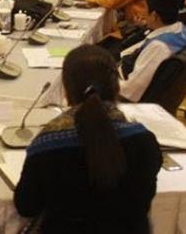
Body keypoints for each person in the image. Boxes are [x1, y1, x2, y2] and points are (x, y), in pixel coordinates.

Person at [14, 44, 161, 233]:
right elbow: (144, 196)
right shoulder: (144, 141)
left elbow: (26, 207)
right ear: (117, 88)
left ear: (66, 92)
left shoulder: (46, 145)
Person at [118, 0, 186, 102]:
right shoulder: (183, 30)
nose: (142, 11)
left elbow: (130, 91)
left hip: (122, 88)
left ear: (154, 15)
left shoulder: (158, 47)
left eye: (144, 7)